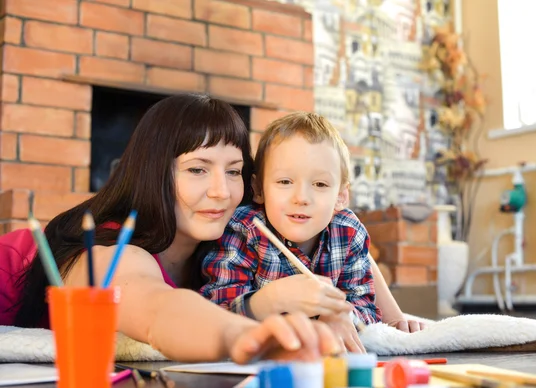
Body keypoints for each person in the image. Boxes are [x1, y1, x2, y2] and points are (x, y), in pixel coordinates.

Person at [0, 94, 341, 364]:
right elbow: (156, 310)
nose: (222, 191)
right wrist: (239, 335)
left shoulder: (234, 240)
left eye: (234, 171)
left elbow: (340, 232)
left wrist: (337, 313)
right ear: (154, 173)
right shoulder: (111, 247)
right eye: (197, 170)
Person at [201, 112, 387, 353]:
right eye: (285, 182)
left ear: (341, 197)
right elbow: (217, 308)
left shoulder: (349, 232)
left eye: (320, 184)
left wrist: (342, 317)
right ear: (258, 189)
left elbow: (366, 308)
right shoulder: (244, 229)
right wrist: (271, 300)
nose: (301, 198)